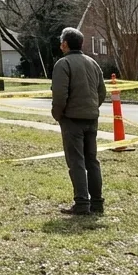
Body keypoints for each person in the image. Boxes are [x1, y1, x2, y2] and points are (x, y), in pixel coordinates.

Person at [51, 26, 107, 215]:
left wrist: (58, 114)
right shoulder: (93, 63)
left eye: (61, 42)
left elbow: (60, 95)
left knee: (76, 162)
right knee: (92, 161)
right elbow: (101, 92)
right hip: (91, 118)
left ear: (65, 44)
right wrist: (92, 108)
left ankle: (82, 203)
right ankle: (97, 203)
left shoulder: (63, 64)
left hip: (72, 119)